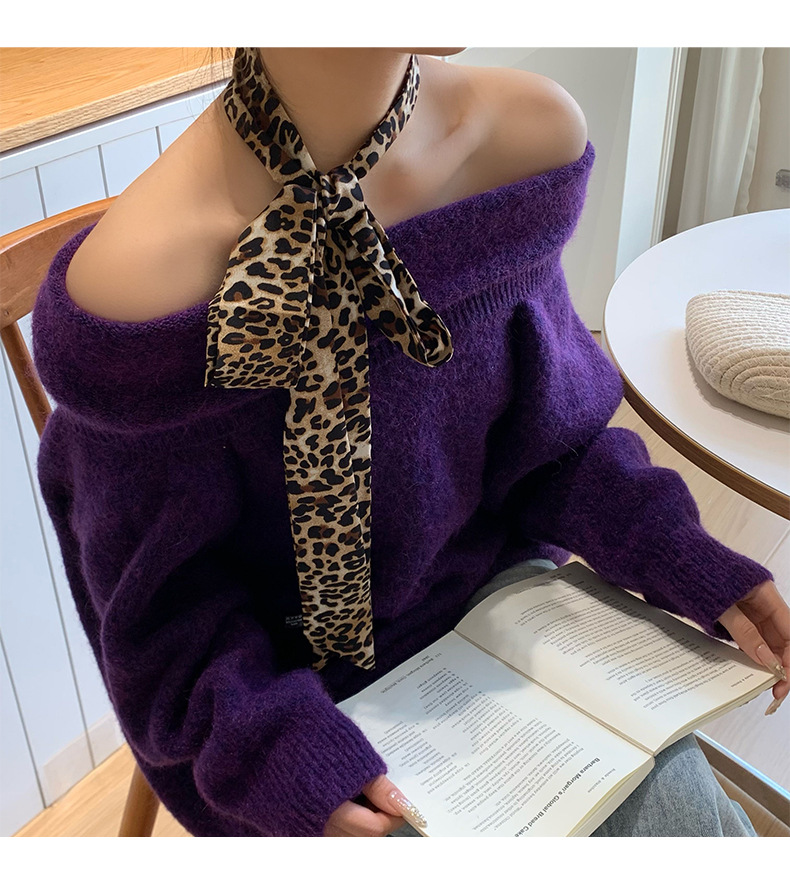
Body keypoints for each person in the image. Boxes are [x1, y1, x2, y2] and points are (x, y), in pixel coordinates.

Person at [32, 48, 788, 838]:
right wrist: (285, 760)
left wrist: (675, 551)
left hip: (507, 626)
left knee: (690, 827)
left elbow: (550, 443)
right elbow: (168, 631)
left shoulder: (521, 142)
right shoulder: (136, 292)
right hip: (280, 703)